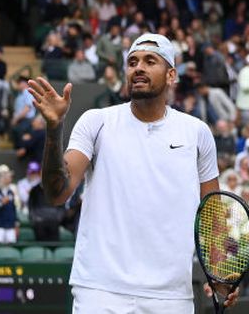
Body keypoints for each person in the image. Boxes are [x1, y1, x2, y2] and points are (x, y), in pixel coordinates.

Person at [30, 32, 237, 312]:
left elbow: (211, 215)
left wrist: (220, 276)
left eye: (150, 61)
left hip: (170, 296)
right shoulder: (96, 121)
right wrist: (55, 129)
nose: (138, 67)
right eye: (132, 62)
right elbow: (57, 193)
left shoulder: (197, 132)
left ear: (171, 75)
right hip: (100, 291)